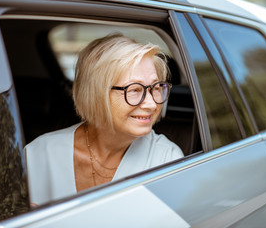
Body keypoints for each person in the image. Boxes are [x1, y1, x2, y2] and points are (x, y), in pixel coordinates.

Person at [25, 34, 184, 206]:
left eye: (156, 87)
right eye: (134, 90)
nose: (152, 104)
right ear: (96, 94)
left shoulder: (167, 160)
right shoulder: (39, 154)